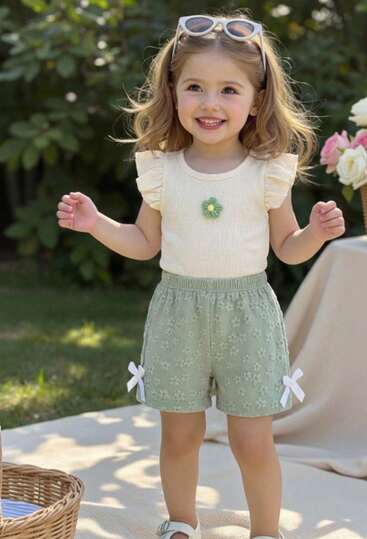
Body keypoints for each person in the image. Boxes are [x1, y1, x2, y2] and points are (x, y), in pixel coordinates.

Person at [56, 11, 345, 539]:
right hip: (178, 315)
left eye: (228, 90)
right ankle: (181, 523)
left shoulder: (268, 170)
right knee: (179, 437)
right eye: (195, 87)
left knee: (252, 442)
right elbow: (144, 243)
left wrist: (317, 234)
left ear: (256, 100)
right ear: (173, 92)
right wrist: (96, 224)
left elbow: (287, 248)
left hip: (248, 318)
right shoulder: (162, 169)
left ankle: (265, 530)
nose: (210, 103)